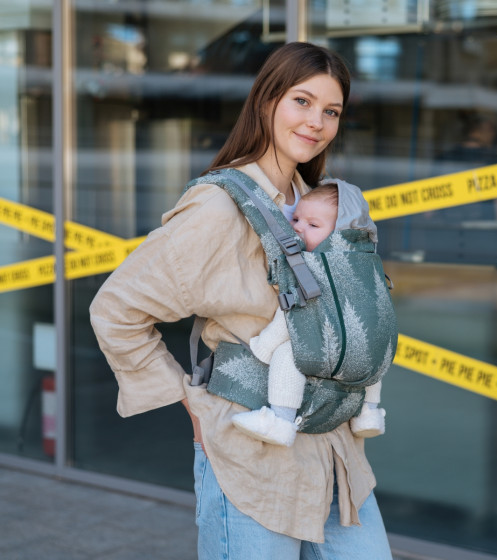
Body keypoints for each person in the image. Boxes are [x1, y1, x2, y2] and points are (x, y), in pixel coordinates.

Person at [90, 41, 393, 560]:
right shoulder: (219, 206)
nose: (316, 121)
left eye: (331, 110)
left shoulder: (320, 203)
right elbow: (116, 310)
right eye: (302, 101)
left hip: (337, 455)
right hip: (252, 458)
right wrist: (193, 407)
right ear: (267, 100)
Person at [232, 183, 386, 447]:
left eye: (313, 225)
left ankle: (280, 421)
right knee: (374, 352)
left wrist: (264, 347)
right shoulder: (366, 266)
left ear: (341, 235)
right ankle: (369, 413)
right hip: (363, 358)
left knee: (287, 354)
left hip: (327, 352)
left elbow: (292, 316)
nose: (298, 228)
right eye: (295, 218)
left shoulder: (312, 266)